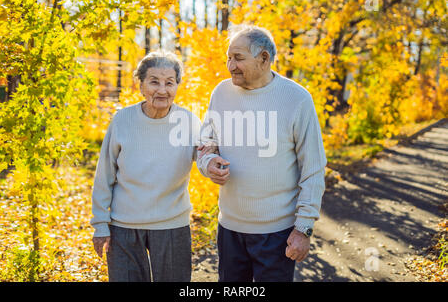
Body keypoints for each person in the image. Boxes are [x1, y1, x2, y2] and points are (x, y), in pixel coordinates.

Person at [197, 25, 327, 282]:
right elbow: (206, 141)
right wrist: (209, 162)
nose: (230, 65)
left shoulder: (297, 99)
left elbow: (313, 168)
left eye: (238, 58)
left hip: (277, 234)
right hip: (229, 230)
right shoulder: (221, 92)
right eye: (228, 57)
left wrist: (303, 229)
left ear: (264, 58)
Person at [90, 51, 203, 282]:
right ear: (140, 85)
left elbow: (204, 160)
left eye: (169, 83)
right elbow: (105, 175)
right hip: (124, 227)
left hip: (172, 225)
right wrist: (100, 224)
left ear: (177, 86)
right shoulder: (123, 120)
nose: (162, 90)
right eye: (154, 82)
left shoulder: (189, 122)